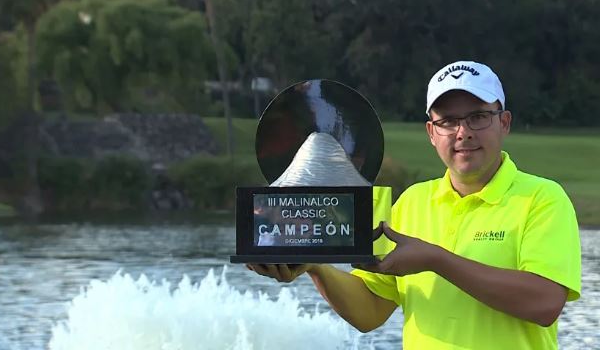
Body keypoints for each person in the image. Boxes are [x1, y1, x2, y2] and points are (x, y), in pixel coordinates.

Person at [247, 60, 581, 349]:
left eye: (478, 117)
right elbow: (371, 311)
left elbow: (545, 302)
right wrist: (315, 266)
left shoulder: (542, 199)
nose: (463, 132)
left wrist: (436, 260)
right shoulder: (411, 202)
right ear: (431, 133)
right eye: (447, 121)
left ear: (504, 122)